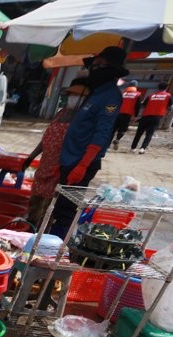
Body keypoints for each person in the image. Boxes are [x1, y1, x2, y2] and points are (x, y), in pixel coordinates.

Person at [49, 46, 128, 237]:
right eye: (95, 64)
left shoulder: (111, 96)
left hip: (81, 163)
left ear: (112, 70)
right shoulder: (95, 93)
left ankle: (53, 248)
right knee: (59, 207)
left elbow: (102, 133)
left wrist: (83, 165)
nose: (95, 68)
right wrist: (63, 162)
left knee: (66, 210)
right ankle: (51, 240)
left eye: (101, 65)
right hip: (70, 160)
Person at [22, 81, 90, 228]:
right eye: (70, 95)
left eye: (75, 96)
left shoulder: (82, 119)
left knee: (49, 204)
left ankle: (41, 231)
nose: (71, 98)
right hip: (45, 164)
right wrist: (31, 156)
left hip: (60, 167)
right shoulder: (61, 113)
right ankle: (29, 226)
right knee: (36, 199)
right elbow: (46, 139)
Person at [131, 82, 172, 154]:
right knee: (149, 134)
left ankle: (133, 148)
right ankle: (142, 148)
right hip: (156, 117)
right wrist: (167, 114)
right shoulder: (168, 96)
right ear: (166, 88)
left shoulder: (151, 96)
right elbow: (170, 107)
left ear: (158, 88)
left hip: (145, 116)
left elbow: (143, 105)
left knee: (139, 133)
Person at [111, 80, 141, 150]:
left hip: (117, 114)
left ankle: (107, 145)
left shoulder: (123, 93)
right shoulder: (138, 94)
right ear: (136, 86)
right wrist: (135, 116)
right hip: (127, 115)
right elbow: (137, 106)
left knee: (113, 129)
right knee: (123, 129)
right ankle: (117, 139)